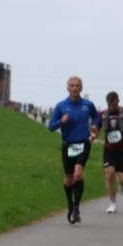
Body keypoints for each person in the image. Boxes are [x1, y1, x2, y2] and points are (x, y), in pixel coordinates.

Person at [48, 76, 99, 224]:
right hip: (67, 145)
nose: (74, 88)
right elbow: (51, 127)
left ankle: (76, 207)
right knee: (68, 178)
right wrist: (60, 121)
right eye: (71, 86)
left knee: (78, 174)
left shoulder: (88, 105)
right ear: (67, 88)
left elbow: (96, 118)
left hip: (84, 143)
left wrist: (95, 130)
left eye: (77, 86)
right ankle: (70, 204)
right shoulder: (61, 106)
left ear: (81, 88)